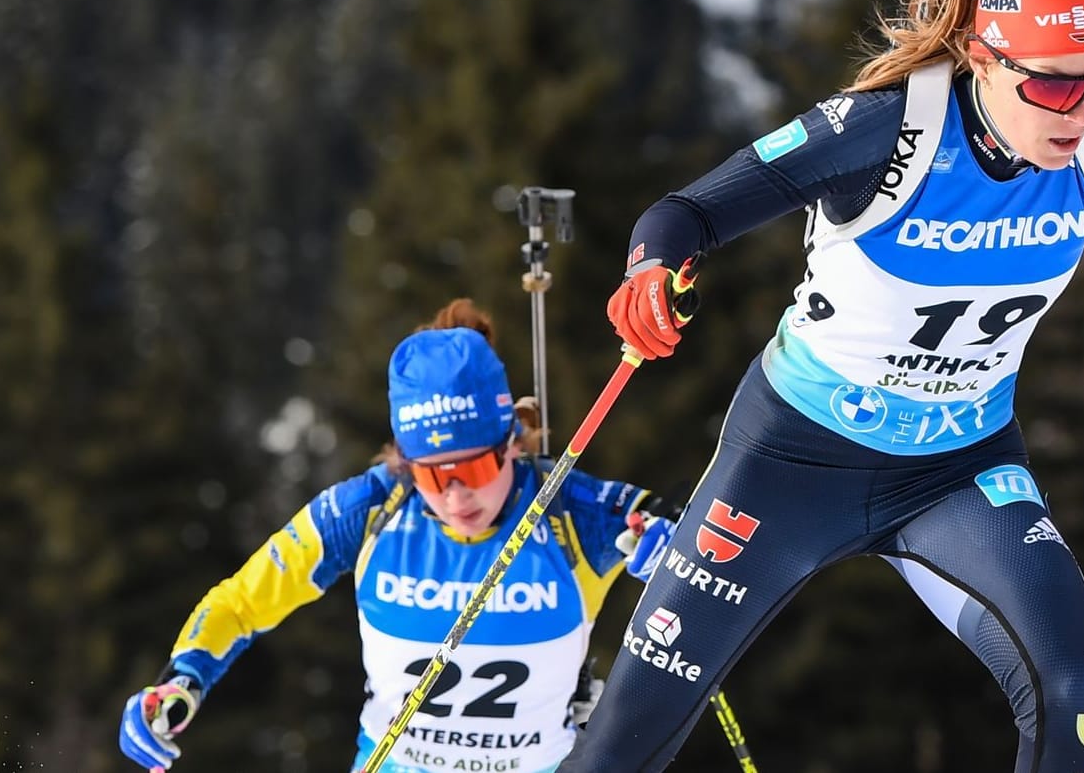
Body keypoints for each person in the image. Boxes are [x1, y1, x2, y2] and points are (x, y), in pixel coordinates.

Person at [567, 0, 1084, 772]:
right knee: (624, 736)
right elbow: (684, 214)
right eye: (1048, 86)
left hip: (955, 470)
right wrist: (649, 273)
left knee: (1069, 682)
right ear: (981, 56)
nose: (1078, 112)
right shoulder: (886, 131)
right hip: (790, 462)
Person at [118, 300, 674, 773]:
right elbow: (242, 603)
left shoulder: (573, 514)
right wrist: (181, 680)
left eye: (474, 470)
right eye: (433, 475)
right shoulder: (369, 511)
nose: (457, 496)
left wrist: (670, 551)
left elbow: (697, 535)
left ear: (512, 440)